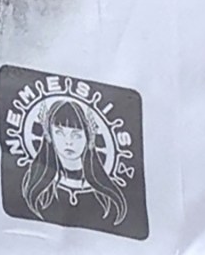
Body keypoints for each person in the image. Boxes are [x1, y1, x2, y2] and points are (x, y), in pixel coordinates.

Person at [19, 98, 129, 230]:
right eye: (59, 133)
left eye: (76, 135)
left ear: (89, 138)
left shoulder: (105, 197)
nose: (68, 142)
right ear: (49, 135)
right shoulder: (37, 184)